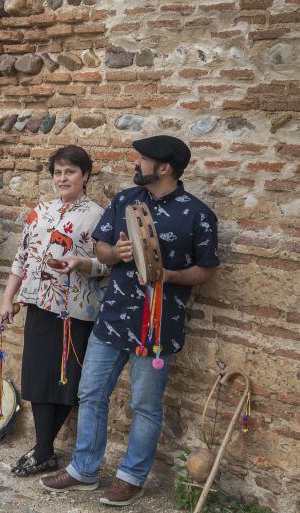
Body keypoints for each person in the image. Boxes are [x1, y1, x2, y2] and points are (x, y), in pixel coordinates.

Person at [42, 136, 219, 507]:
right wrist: (117, 253)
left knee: (145, 406)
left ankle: (131, 477)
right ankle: (83, 469)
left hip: (157, 328)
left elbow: (205, 269)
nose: (136, 162)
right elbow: (100, 249)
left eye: (143, 158)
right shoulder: (125, 200)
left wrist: (168, 275)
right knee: (91, 393)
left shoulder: (198, 214)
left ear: (165, 168)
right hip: (112, 319)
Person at [0, 145, 109, 477]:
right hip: (38, 304)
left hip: (75, 309)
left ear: (85, 175)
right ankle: (44, 448)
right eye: (58, 172)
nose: (62, 178)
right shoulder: (40, 210)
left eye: (70, 172)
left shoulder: (98, 215)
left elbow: (107, 264)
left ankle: (44, 449)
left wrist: (81, 263)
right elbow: (21, 258)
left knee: (66, 380)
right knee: (37, 378)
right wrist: (8, 298)